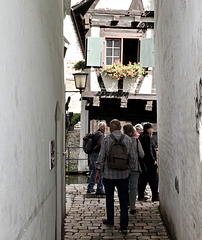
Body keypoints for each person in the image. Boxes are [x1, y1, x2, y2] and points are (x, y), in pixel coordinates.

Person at [95, 119, 135, 233]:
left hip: (109, 175)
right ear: (120, 127)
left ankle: (110, 219)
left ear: (111, 128)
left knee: (109, 198)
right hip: (123, 175)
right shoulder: (127, 139)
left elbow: (101, 156)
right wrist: (129, 170)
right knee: (123, 199)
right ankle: (123, 224)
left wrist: (98, 171)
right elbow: (132, 158)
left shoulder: (107, 139)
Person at [123, 124, 144, 215]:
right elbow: (142, 154)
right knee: (133, 188)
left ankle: (125, 204)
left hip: (123, 167)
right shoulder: (136, 141)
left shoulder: (122, 140)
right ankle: (132, 207)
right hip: (134, 167)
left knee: (124, 187)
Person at [138, 123, 159, 202]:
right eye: (152, 129)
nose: (152, 131)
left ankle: (141, 195)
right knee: (154, 180)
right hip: (149, 163)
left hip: (143, 162)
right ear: (148, 129)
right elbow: (148, 150)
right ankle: (155, 195)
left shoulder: (141, 136)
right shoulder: (147, 137)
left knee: (143, 180)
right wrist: (153, 160)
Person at [87, 122, 106, 195]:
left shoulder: (96, 133)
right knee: (99, 171)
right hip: (97, 154)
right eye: (104, 127)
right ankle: (99, 188)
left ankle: (90, 187)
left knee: (94, 171)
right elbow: (100, 144)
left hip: (93, 154)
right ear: (102, 127)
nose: (105, 129)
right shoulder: (100, 135)